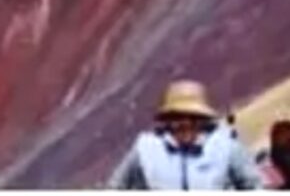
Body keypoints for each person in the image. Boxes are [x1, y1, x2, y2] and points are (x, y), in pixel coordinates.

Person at [108, 80, 266, 189]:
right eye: (178, 117)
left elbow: (253, 186)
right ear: (167, 119)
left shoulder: (225, 147)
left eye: (193, 117)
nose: (186, 123)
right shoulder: (145, 149)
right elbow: (115, 187)